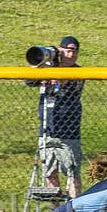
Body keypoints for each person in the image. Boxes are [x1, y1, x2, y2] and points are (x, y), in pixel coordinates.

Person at [27, 36, 84, 198]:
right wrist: (43, 62)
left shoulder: (79, 72)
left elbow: (64, 81)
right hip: (46, 129)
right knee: (49, 172)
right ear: (61, 51)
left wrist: (53, 70)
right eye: (67, 50)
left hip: (69, 132)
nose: (70, 54)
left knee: (72, 172)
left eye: (74, 51)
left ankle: (73, 209)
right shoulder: (48, 68)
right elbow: (28, 80)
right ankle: (56, 211)